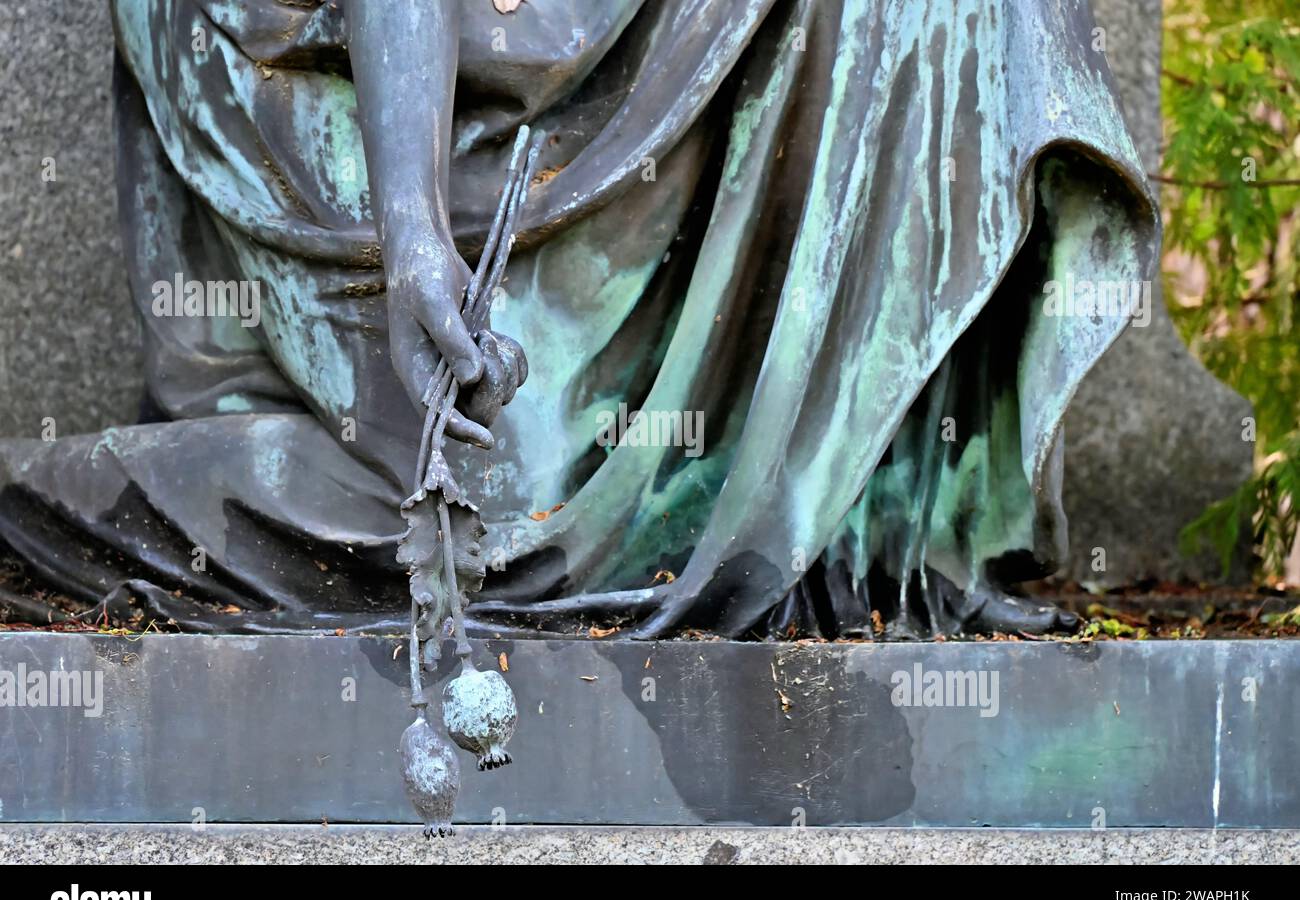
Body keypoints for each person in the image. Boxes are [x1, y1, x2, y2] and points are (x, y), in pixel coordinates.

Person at [0, 0, 1157, 638]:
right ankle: (41, 496)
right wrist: (409, 232)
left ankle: (871, 517)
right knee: (501, 509)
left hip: (608, 52)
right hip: (359, 77)